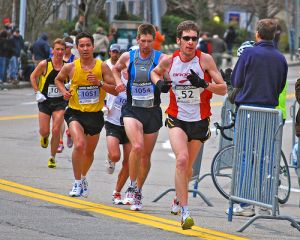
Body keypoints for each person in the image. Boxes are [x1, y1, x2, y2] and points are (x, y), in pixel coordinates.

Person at [151, 20, 227, 230]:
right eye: (186, 38)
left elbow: (223, 89)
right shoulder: (169, 60)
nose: (191, 42)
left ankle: (177, 197)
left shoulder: (205, 60)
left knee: (189, 171)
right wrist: (159, 83)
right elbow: (155, 72)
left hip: (200, 121)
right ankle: (185, 213)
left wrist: (204, 84)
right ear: (178, 40)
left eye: (194, 38)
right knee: (182, 161)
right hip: (177, 118)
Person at [229, 18, 288, 216]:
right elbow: (280, 86)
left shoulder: (249, 54)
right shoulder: (280, 58)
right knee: (264, 157)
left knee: (244, 156)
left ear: (257, 34)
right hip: (269, 112)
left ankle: (245, 204)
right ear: (274, 35)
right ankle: (263, 200)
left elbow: (236, 80)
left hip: (247, 110)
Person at [54, 32, 117, 197]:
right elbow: (58, 80)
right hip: (75, 112)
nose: (85, 48)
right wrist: (64, 92)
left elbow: (115, 90)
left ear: (93, 47)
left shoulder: (102, 66)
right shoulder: (71, 67)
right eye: (81, 45)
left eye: (88, 45)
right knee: (79, 145)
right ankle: (76, 183)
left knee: (89, 153)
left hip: (95, 115)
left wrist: (99, 83)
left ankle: (82, 178)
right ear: (76, 48)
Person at [112, 23, 165, 211]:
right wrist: (118, 82)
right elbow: (115, 69)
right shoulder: (128, 56)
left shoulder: (161, 58)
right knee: (137, 146)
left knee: (145, 156)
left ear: (154, 41)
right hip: (132, 109)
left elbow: (173, 72)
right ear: (137, 40)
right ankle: (132, 187)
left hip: (152, 110)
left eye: (150, 41)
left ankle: (138, 190)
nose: (146, 45)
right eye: (143, 41)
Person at [30, 38, 67, 168]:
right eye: (57, 49)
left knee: (56, 129)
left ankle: (52, 157)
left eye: (62, 49)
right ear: (52, 50)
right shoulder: (44, 64)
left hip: (60, 103)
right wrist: (37, 92)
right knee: (45, 131)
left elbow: (73, 81)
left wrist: (68, 86)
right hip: (45, 101)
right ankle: (44, 137)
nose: (60, 52)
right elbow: (33, 76)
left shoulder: (67, 66)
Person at [104, 44, 131, 204]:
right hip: (113, 122)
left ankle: (117, 192)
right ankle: (109, 158)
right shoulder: (115, 75)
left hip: (129, 124)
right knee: (115, 155)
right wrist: (104, 105)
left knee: (128, 162)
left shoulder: (136, 79)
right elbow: (104, 89)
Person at [57, 36, 77, 153]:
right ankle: (60, 142)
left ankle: (69, 132)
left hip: (71, 92)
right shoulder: (57, 58)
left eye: (69, 47)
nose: (66, 49)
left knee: (69, 115)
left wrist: (70, 84)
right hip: (59, 91)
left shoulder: (75, 59)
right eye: (65, 47)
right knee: (59, 117)